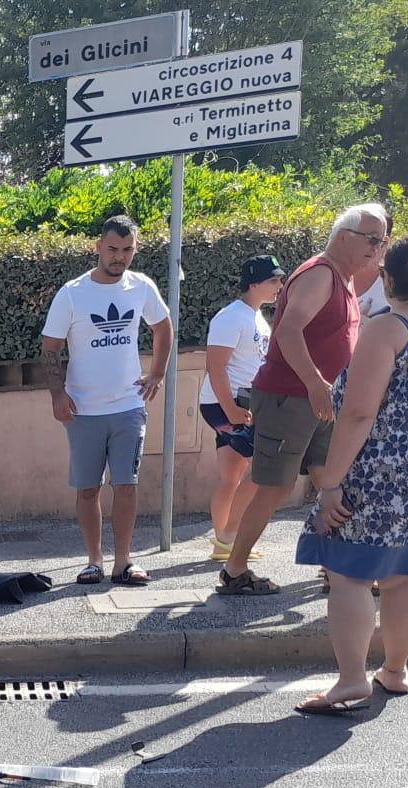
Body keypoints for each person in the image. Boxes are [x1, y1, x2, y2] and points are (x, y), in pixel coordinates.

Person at [290, 235, 408, 714]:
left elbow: (357, 415)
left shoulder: (386, 329)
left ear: (387, 278)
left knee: (348, 571)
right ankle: (394, 670)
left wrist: (329, 483)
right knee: (407, 571)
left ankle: (352, 679)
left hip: (383, 468)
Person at [217, 203, 389, 594]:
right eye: (372, 240)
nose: (377, 248)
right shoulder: (320, 275)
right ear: (345, 236)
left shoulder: (342, 277)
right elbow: (289, 331)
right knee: (273, 487)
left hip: (320, 401)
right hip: (289, 397)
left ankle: (337, 567)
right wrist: (314, 382)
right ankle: (234, 569)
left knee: (333, 480)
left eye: (382, 241)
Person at [40, 214, 173, 586]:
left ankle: (124, 562)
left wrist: (158, 373)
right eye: (113, 249)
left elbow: (163, 327)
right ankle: (94, 561)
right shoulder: (72, 292)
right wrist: (57, 393)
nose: (119, 257)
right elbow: (50, 347)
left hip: (129, 407)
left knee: (126, 486)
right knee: (88, 488)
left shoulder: (141, 287)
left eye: (127, 250)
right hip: (84, 410)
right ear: (98, 247)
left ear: (135, 249)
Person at [198, 255, 284, 562]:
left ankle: (223, 542)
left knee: (232, 475)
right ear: (254, 283)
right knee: (263, 468)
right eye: (273, 280)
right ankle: (229, 537)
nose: (279, 286)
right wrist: (232, 410)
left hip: (240, 403)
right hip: (226, 405)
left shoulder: (256, 316)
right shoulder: (230, 317)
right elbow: (216, 366)